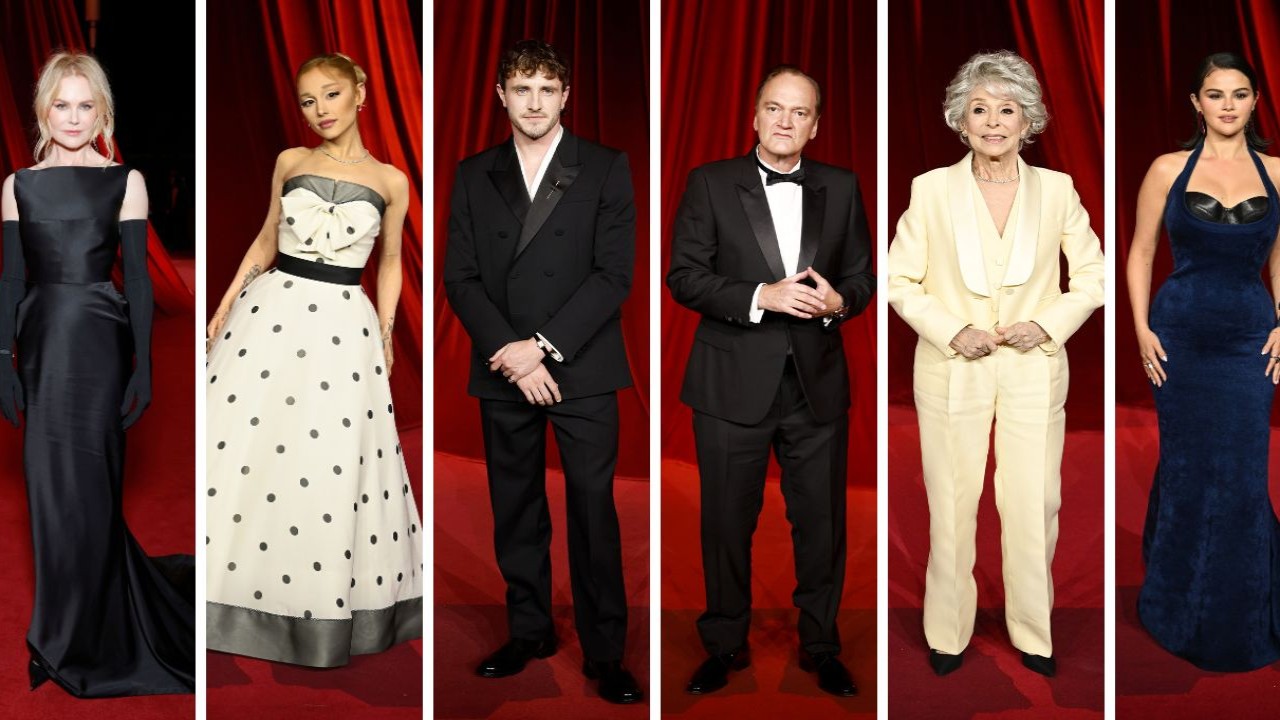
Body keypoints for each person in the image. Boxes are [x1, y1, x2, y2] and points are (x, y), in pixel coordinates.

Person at [887, 50, 1104, 679]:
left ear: (1027, 119)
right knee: (952, 500)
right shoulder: (930, 189)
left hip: (1033, 366)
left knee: (1035, 501)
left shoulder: (1057, 189)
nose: (992, 122)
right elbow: (900, 281)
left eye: (1006, 109)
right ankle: (947, 630)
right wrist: (954, 331)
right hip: (953, 367)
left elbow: (1090, 277)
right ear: (960, 120)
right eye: (979, 109)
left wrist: (1047, 323)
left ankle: (1033, 631)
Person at [204, 53, 423, 667]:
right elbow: (268, 235)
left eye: (331, 94)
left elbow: (389, 264)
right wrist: (223, 304)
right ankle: (231, 590)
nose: (320, 110)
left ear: (360, 94)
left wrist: (383, 336)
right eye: (307, 100)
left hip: (341, 325)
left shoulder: (393, 181)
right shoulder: (289, 163)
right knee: (251, 441)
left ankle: (312, 596)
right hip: (273, 311)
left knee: (324, 455)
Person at [443, 39, 642, 705]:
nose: (534, 102)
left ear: (564, 97)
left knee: (592, 511)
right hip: (504, 367)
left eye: (546, 90)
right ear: (501, 96)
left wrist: (544, 346)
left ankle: (606, 652)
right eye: (521, 89)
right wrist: (511, 350)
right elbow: (460, 277)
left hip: (579, 364)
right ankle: (527, 631)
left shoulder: (605, 167)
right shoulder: (474, 173)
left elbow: (614, 274)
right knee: (515, 508)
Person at [667, 64, 874, 698]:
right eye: (775, 109)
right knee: (727, 521)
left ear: (816, 124)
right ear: (754, 117)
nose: (786, 122)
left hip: (816, 386)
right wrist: (762, 295)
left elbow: (864, 279)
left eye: (800, 112)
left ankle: (820, 645)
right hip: (731, 385)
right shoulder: (709, 183)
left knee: (822, 523)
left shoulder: (841, 186)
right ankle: (724, 644)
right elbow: (683, 275)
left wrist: (840, 301)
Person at [0, 51, 194, 697]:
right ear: (43, 110)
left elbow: (138, 280)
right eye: (62, 104)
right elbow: (10, 280)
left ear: (102, 111)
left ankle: (80, 634)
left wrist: (143, 367)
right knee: (48, 495)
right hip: (42, 344)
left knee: (93, 494)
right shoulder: (19, 185)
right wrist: (3, 359)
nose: (74, 117)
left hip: (100, 347)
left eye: (87, 105)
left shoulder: (124, 182)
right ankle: (56, 634)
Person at [1128, 51, 1280, 672]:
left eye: (1239, 94)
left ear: (1252, 102)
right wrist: (1139, 329)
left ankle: (1241, 615)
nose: (1227, 106)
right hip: (1180, 337)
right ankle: (1177, 603)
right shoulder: (1167, 168)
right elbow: (1139, 255)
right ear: (1197, 103)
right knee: (1189, 466)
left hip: (1249, 339)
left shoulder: (1277, 171)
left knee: (1243, 473)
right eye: (1215, 94)